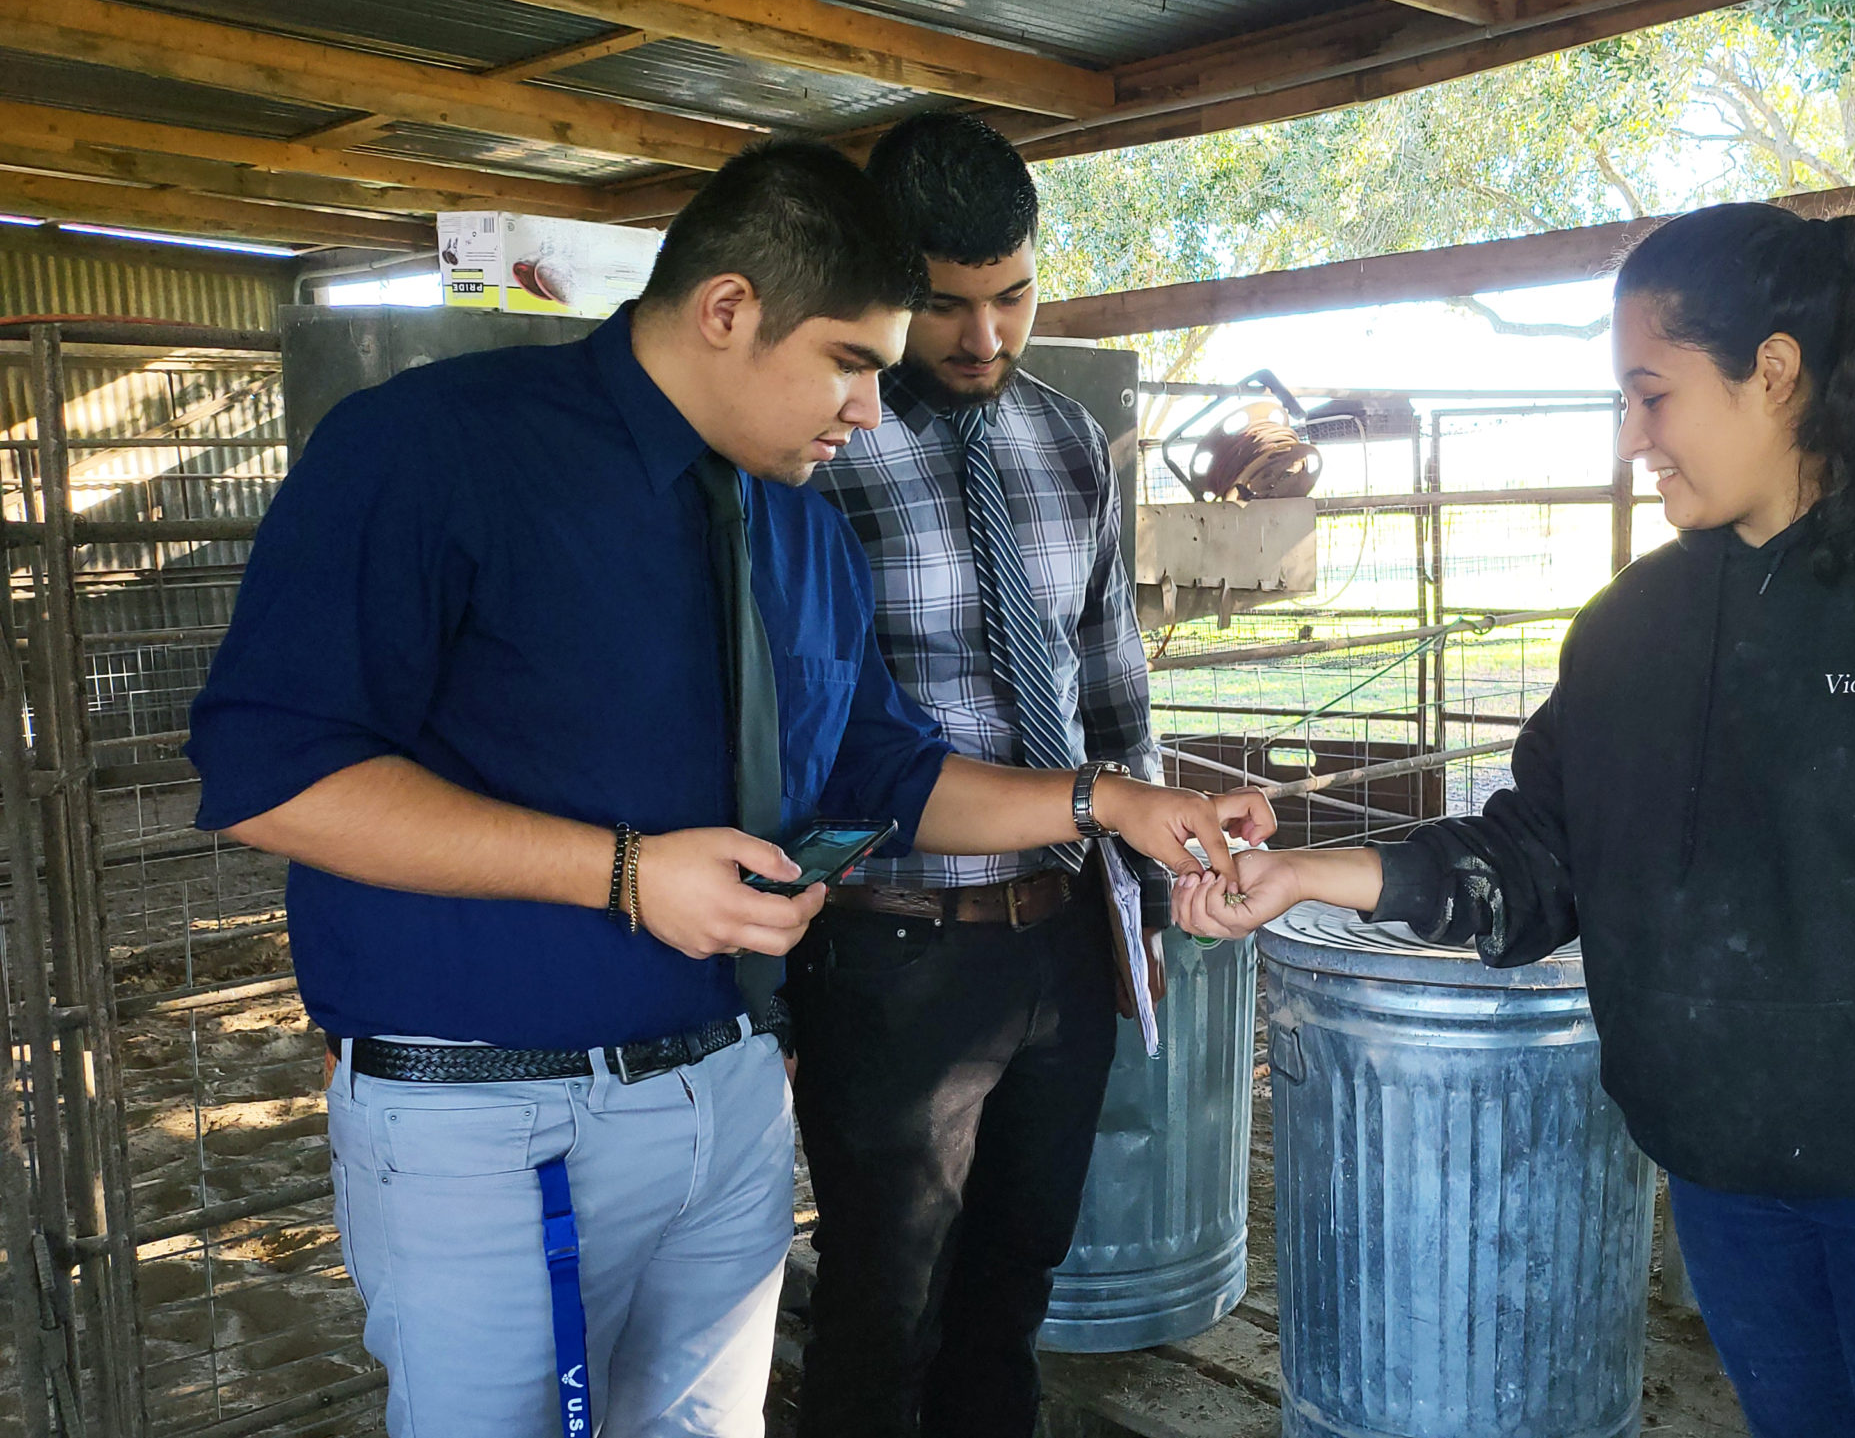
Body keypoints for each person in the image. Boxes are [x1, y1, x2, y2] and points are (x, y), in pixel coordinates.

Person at [187, 138, 1269, 1438]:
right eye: (853, 363)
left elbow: (882, 769)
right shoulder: (435, 452)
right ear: (727, 310)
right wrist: (624, 873)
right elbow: (269, 771)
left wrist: (1104, 804)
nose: (872, 410)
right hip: (493, 1110)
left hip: (727, 1093)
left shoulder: (799, 525)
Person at [1176, 202, 1855, 1438]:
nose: (1633, 439)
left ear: (1774, 372)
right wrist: (1307, 872)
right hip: (1733, 1178)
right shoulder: (1637, 623)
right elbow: (1544, 854)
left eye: (1652, 394)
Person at [786, 110, 1170, 1438]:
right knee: (886, 1308)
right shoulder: (810, 450)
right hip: (893, 948)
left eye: (1011, 297)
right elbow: (800, 731)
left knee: (1014, 1289)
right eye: (945, 307)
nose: (985, 338)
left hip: (1060, 936)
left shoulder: (1067, 437)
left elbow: (1110, 682)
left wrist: (1143, 898)